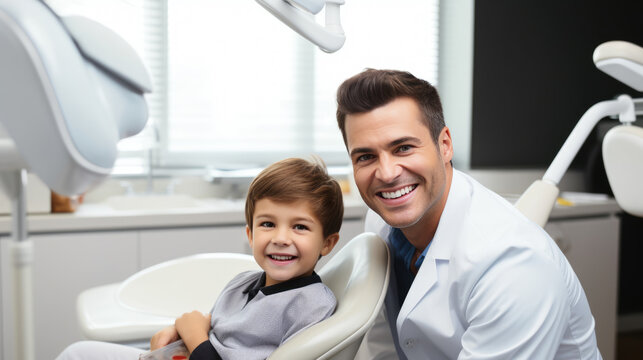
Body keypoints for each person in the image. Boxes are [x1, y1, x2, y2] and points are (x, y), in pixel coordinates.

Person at [336, 69, 601, 359]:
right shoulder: (381, 221)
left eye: (403, 148)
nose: (386, 174)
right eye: (365, 157)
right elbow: (384, 346)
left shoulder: (514, 267)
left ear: (445, 144)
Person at [57, 157, 343, 360]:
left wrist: (194, 337)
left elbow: (203, 337)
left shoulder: (311, 306)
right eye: (268, 224)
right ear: (250, 234)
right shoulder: (241, 283)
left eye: (300, 227)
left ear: (327, 243)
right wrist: (176, 332)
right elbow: (216, 327)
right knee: (77, 353)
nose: (281, 237)